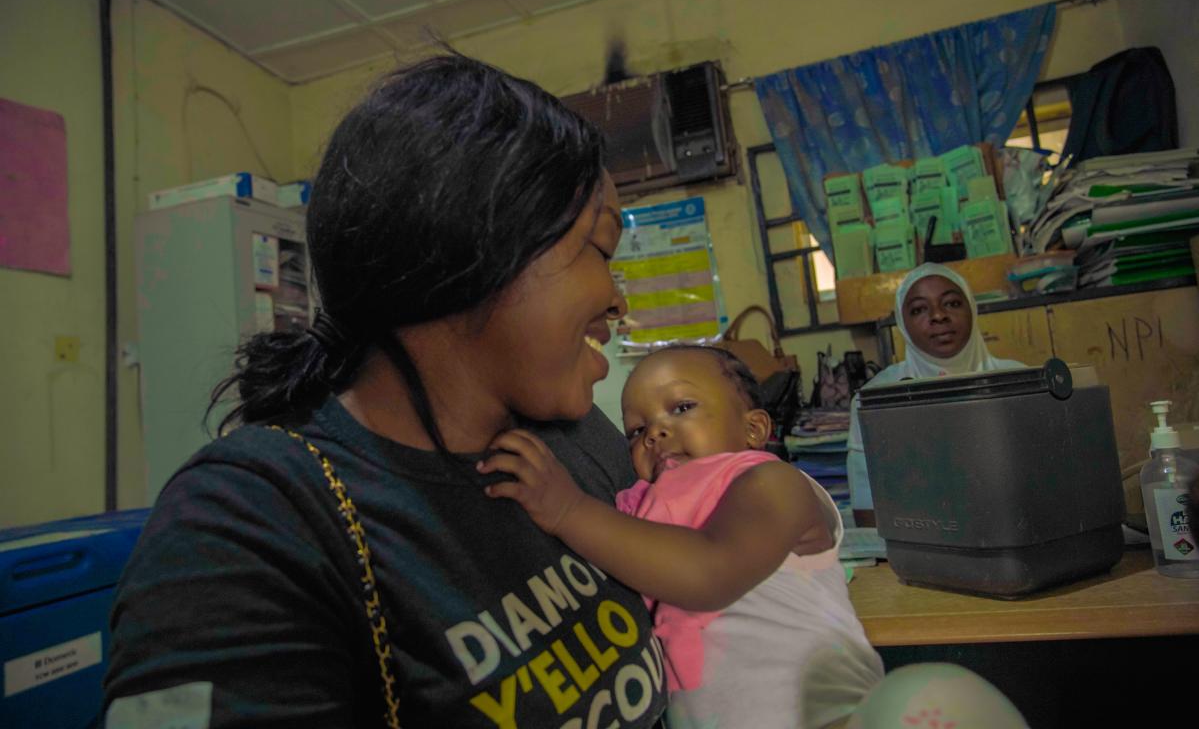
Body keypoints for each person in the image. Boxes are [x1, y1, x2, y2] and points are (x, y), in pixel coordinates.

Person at [103, 55, 669, 728]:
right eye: (600, 250)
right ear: (474, 247)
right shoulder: (249, 525)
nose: (617, 300)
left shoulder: (576, 441)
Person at [480, 345, 887, 728]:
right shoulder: (638, 507)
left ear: (753, 428)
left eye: (682, 408)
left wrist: (568, 510)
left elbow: (710, 572)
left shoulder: (771, 482)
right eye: (636, 430)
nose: (654, 433)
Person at [846, 263, 1025, 526]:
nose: (938, 315)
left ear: (972, 309)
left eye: (952, 303)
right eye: (919, 309)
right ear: (902, 323)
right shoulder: (875, 399)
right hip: (919, 542)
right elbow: (867, 510)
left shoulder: (1020, 382)